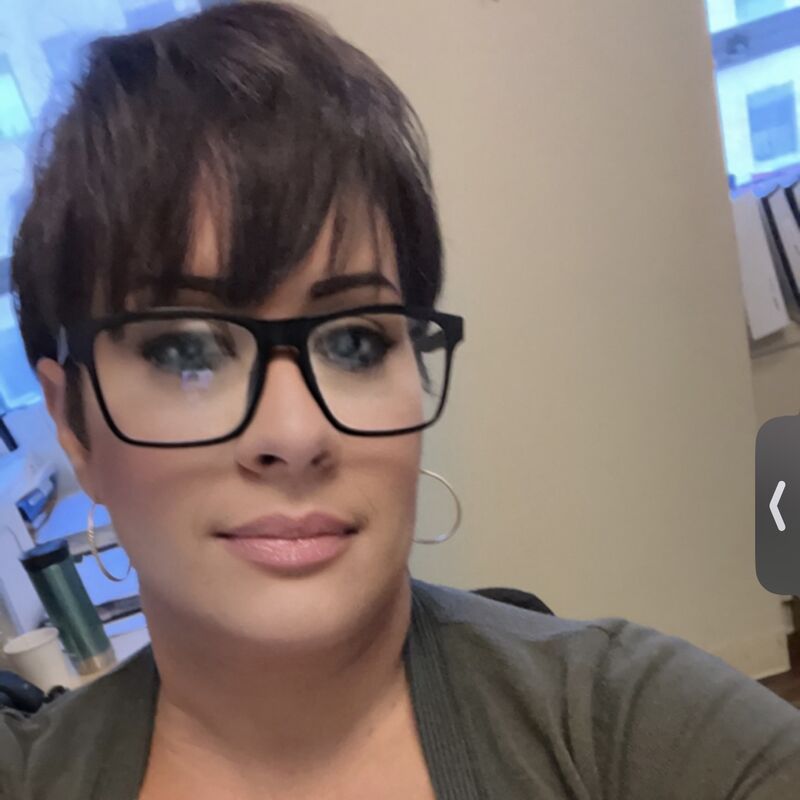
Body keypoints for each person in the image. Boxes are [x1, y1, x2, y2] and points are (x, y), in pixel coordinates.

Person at [3, 3, 800, 799]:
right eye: (186, 350)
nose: (295, 432)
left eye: (354, 341)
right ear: (73, 421)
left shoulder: (627, 727)